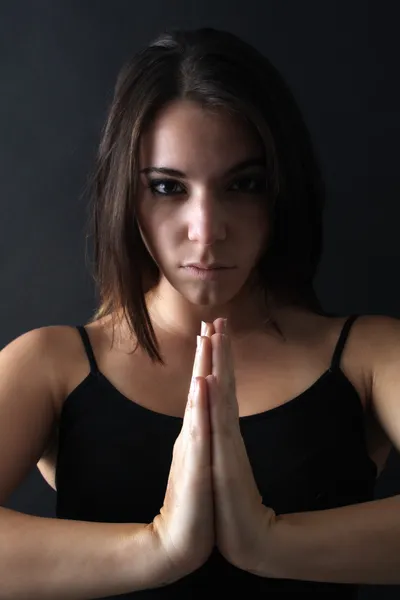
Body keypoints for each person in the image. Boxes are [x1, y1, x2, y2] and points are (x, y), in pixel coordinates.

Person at [0, 27, 399, 600]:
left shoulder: (372, 357)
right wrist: (158, 549)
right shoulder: (51, 365)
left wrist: (269, 542)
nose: (207, 231)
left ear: (283, 189)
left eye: (244, 184)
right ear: (124, 197)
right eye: (167, 187)